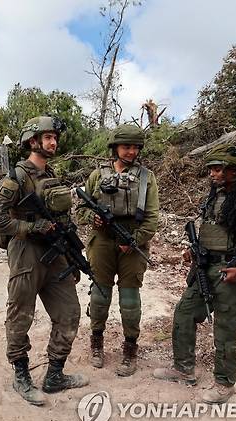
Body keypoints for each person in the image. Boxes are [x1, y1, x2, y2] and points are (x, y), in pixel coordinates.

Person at [0, 116, 88, 406]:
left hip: (55, 254)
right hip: (26, 253)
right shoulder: (16, 178)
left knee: (69, 313)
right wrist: (29, 228)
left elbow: (63, 219)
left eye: (55, 137)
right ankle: (21, 376)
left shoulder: (50, 175)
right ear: (33, 141)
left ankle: (54, 375)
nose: (53, 142)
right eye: (47, 137)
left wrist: (71, 257)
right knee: (20, 315)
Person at [153, 144, 236, 404]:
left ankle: (224, 383)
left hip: (232, 271)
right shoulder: (213, 197)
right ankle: (184, 368)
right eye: (212, 169)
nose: (212, 174)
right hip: (205, 267)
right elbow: (210, 230)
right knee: (184, 313)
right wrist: (194, 252)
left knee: (225, 329)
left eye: (218, 169)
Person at [75, 124, 159, 377]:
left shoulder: (147, 178)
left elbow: (152, 217)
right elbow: (80, 210)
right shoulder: (97, 175)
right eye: (126, 147)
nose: (131, 152)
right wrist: (93, 218)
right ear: (115, 148)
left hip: (132, 243)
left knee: (130, 300)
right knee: (100, 295)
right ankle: (97, 342)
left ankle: (130, 347)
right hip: (101, 241)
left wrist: (135, 238)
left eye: (135, 147)